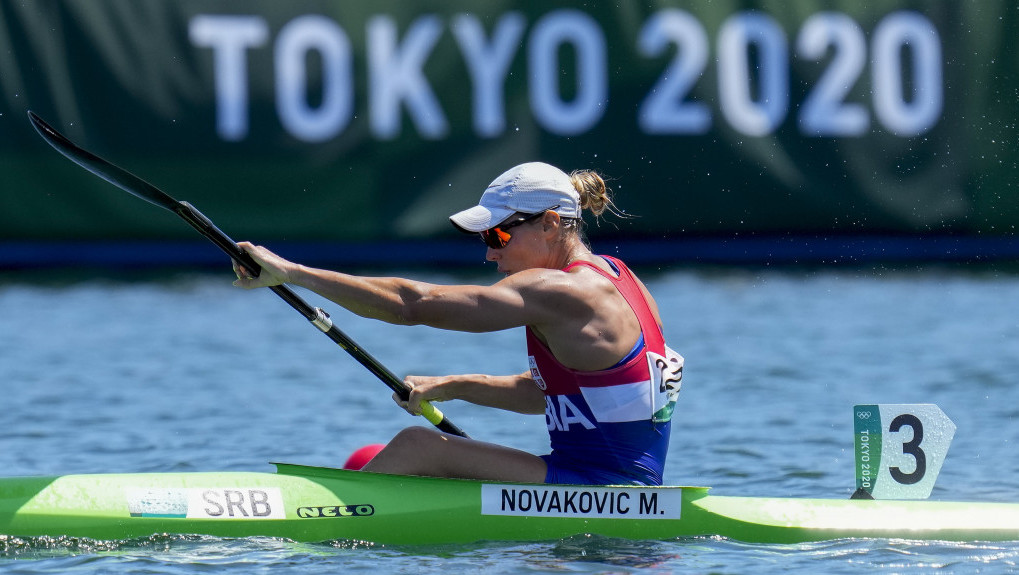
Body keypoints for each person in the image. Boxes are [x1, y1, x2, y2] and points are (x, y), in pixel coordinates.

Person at [233, 162, 683, 486]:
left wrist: (292, 273)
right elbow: (555, 394)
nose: (489, 253)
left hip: (601, 489)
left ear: (550, 224)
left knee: (419, 446)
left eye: (498, 235)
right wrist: (454, 384)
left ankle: (323, 521)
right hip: (616, 487)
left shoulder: (561, 291)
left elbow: (413, 305)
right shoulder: (622, 278)